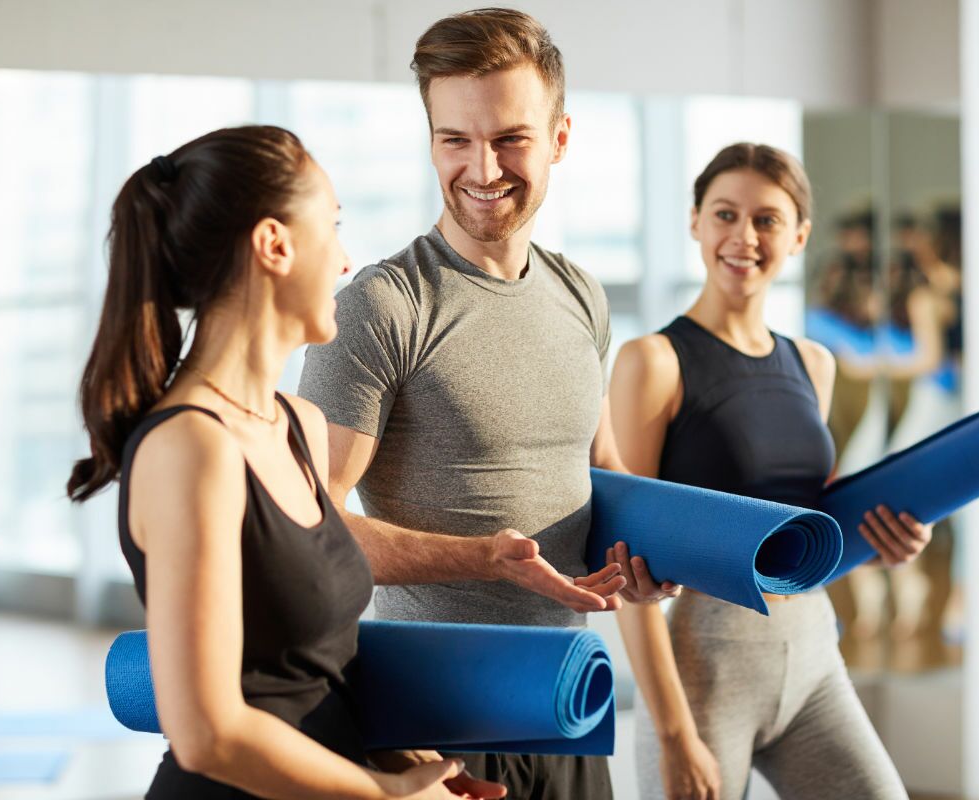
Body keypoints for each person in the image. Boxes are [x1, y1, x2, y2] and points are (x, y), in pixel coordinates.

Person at [299, 9, 676, 799]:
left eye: (510, 138)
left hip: (569, 699)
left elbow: (598, 474)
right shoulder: (384, 305)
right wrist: (476, 556)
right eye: (455, 140)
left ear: (560, 138)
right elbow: (309, 532)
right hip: (435, 720)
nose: (482, 167)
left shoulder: (581, 295)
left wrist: (645, 560)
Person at [67, 125, 505, 799]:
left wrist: (412, 770)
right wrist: (383, 797)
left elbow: (312, 665)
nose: (345, 259)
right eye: (330, 226)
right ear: (274, 244)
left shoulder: (296, 425)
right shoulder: (190, 448)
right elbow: (208, 732)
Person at [611, 143, 933, 800]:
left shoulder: (814, 363)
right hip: (705, 669)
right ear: (695, 221)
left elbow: (808, 533)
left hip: (813, 653)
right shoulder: (654, 362)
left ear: (799, 236)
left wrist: (880, 543)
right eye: (725, 214)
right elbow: (625, 568)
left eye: (766, 220)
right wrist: (675, 734)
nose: (744, 237)